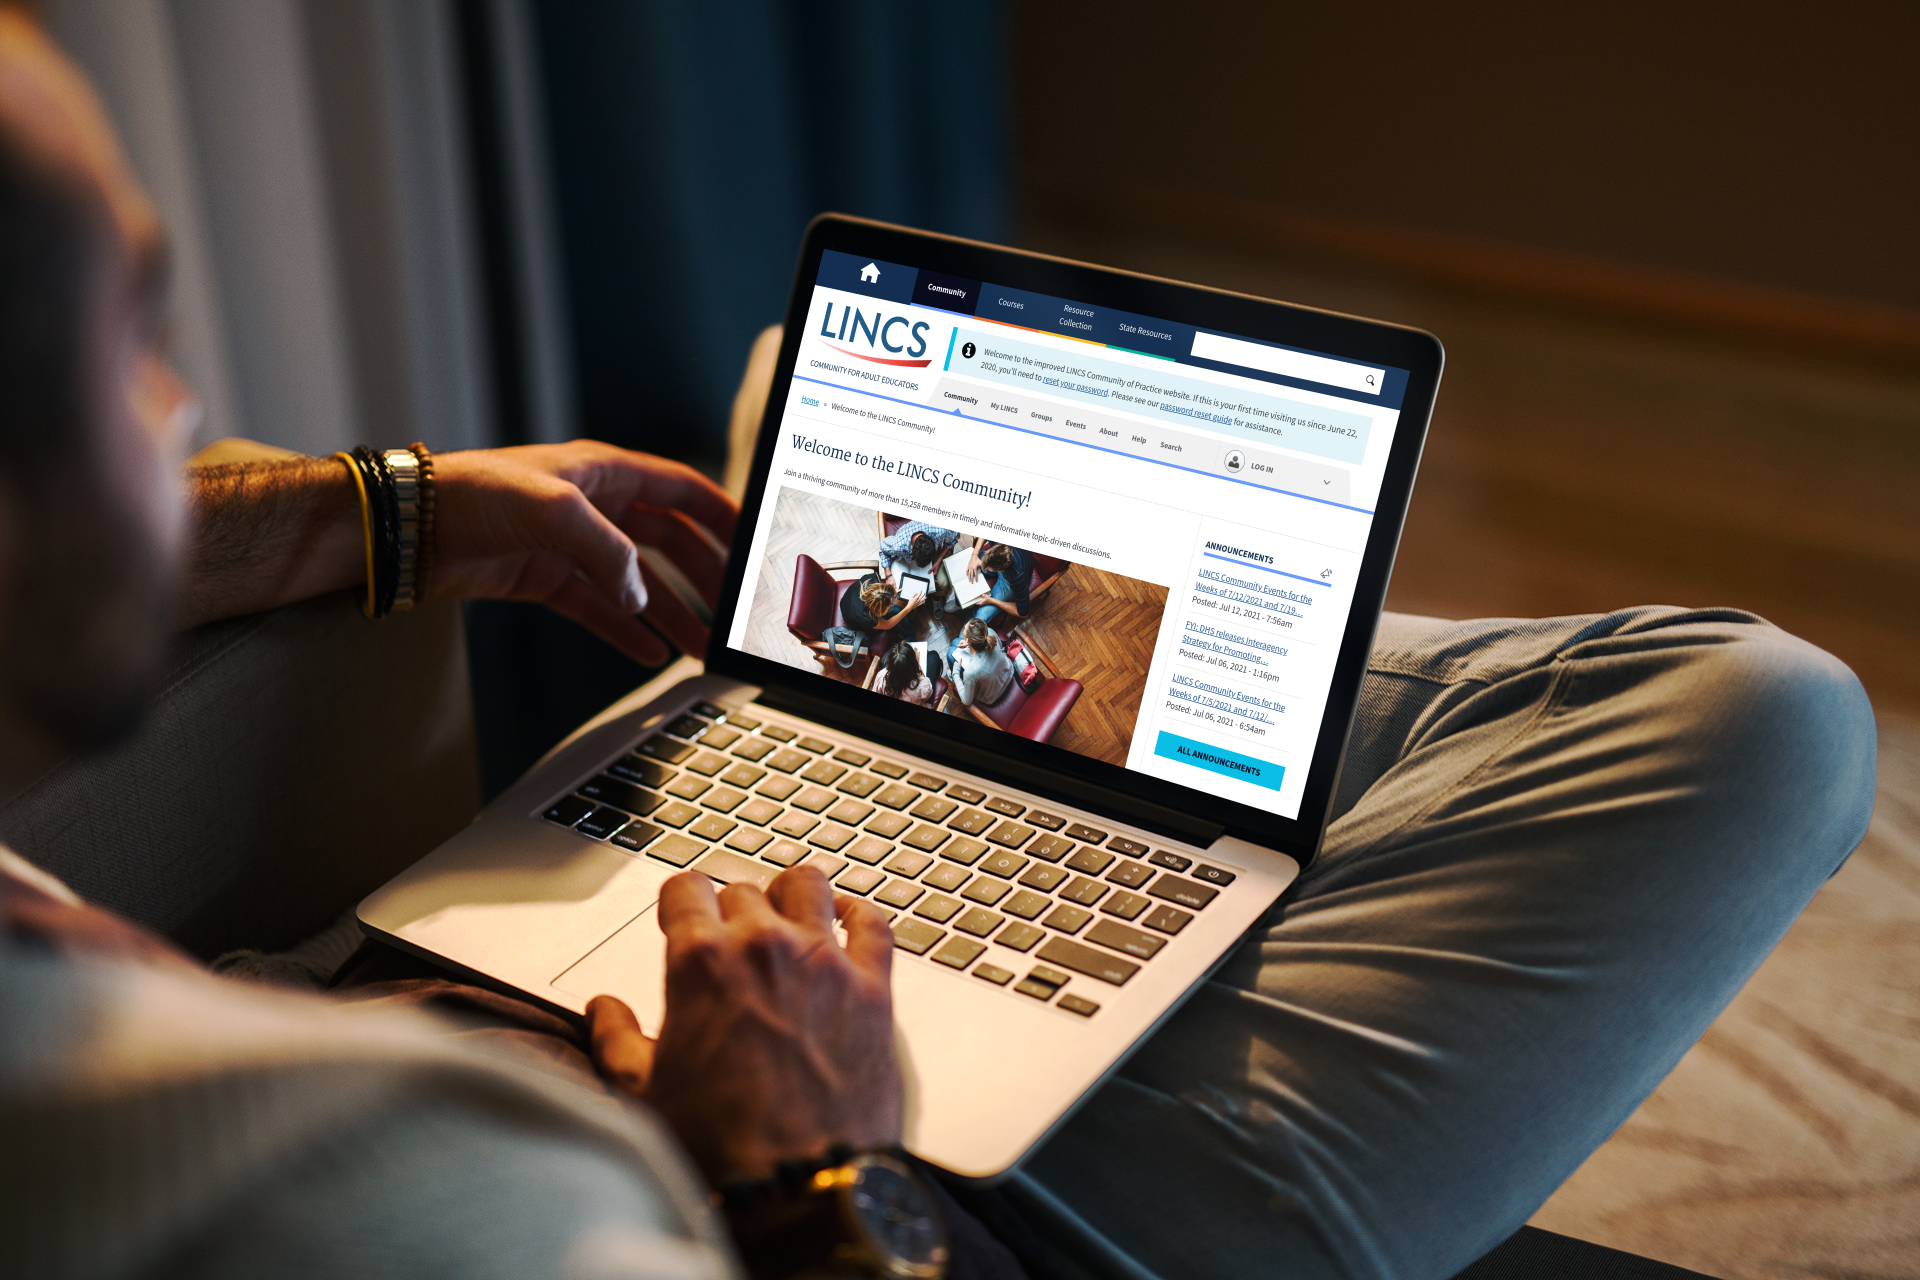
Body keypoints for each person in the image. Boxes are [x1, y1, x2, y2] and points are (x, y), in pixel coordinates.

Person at [0, 14, 1881, 1280]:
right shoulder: (423, 1206)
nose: (185, 415)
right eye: (130, 338)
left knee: (803, 498)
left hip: (401, 991)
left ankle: (1037, 585)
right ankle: (1195, 608)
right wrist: (816, 1167)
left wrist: (403, 504)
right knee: (1766, 716)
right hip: (912, 1205)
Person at [946, 617, 1015, 710]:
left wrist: (955, 673)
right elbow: (1001, 646)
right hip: (1008, 672)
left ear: (968, 640)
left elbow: (967, 701)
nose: (964, 627)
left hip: (992, 696)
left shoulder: (970, 672)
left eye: (965, 629)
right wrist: (968, 645)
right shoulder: (990, 632)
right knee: (955, 642)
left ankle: (954, 678)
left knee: (951, 653)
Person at [960, 540, 1032, 628]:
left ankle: (965, 635)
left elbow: (1023, 613)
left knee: (980, 616)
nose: (984, 567)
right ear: (990, 550)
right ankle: (958, 601)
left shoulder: (1018, 577)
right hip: (1003, 562)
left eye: (987, 568)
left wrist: (991, 601)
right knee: (966, 569)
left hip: (1008, 582)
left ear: (1000, 570)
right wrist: (974, 556)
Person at [876, 518, 957, 587]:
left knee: (943, 582)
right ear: (912, 552)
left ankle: (936, 598)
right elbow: (882, 547)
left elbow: (954, 537)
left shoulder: (941, 530)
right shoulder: (898, 545)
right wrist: (888, 575)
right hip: (901, 559)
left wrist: (939, 560)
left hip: (930, 552)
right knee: (899, 587)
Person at [876, 639, 939, 707]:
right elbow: (927, 695)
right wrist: (918, 668)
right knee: (933, 655)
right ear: (913, 665)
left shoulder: (881, 676)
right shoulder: (921, 685)